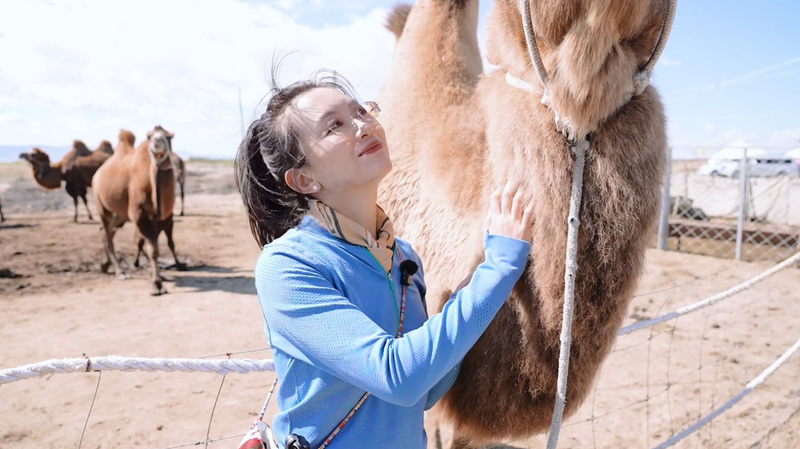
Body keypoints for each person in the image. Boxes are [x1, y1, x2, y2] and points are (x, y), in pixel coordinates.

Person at [235, 71, 534, 449]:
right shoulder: (288, 266)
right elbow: (398, 377)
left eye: (360, 110)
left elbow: (423, 393)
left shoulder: (402, 256)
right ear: (304, 179)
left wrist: (466, 297)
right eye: (334, 127)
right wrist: (499, 269)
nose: (362, 126)